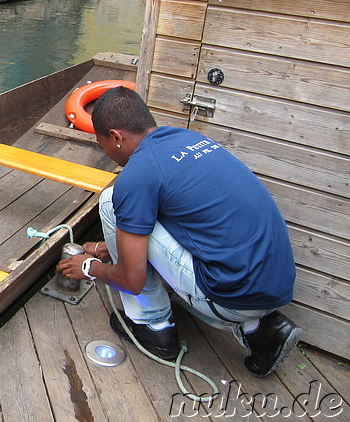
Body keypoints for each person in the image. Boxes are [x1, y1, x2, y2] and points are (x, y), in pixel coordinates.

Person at [56, 87, 301, 378]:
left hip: (229, 300)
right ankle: (261, 329)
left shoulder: (138, 174)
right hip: (275, 285)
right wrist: (114, 246)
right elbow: (195, 215)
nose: (106, 152)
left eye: (103, 145)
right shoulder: (190, 139)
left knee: (111, 201)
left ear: (116, 137)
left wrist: (90, 267)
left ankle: (153, 326)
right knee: (148, 208)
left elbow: (131, 281)